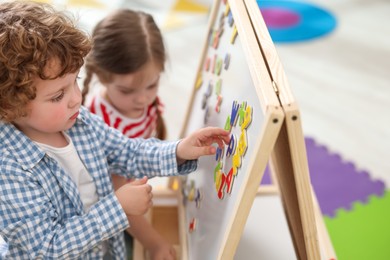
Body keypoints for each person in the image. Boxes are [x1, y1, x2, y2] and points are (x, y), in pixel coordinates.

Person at [0, 1, 230, 259]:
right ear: (11, 105)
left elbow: (128, 152)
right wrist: (117, 207)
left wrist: (178, 150)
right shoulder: (9, 169)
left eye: (75, 81)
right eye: (57, 96)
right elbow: (45, 250)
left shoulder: (79, 121)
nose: (76, 98)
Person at [82, 9, 175, 259]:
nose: (143, 98)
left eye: (152, 85)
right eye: (127, 90)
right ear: (102, 75)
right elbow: (115, 200)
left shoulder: (140, 102)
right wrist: (155, 243)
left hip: (131, 200)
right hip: (102, 213)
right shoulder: (100, 124)